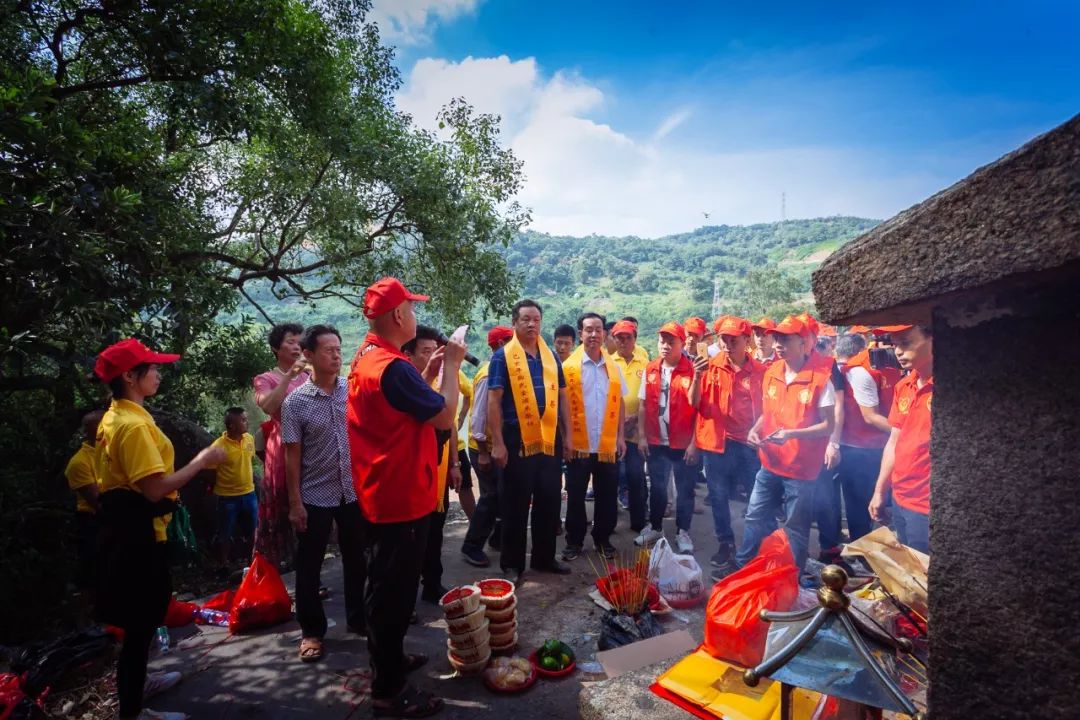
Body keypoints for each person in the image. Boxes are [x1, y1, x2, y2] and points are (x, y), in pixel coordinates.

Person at [348, 277, 464, 717]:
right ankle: (388, 690)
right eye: (411, 309)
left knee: (389, 587)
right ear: (398, 316)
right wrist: (451, 366)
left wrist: (426, 375)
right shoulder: (392, 368)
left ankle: (390, 661)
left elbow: (400, 404)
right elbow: (444, 417)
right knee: (391, 595)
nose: (414, 316)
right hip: (399, 496)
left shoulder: (371, 358)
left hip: (384, 490)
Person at [93, 339, 226, 720]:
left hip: (126, 532)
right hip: (135, 539)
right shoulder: (132, 426)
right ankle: (132, 710)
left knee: (143, 619)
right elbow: (154, 488)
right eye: (152, 368)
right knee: (139, 623)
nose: (158, 373)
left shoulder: (119, 414)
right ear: (131, 376)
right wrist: (202, 460)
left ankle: (139, 685)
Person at [281, 325, 364, 663]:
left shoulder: (352, 390)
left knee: (358, 558)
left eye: (339, 348)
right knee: (309, 565)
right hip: (316, 494)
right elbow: (292, 456)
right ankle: (312, 631)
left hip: (353, 491)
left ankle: (360, 619)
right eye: (328, 349)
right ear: (309, 355)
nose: (336, 355)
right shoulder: (295, 402)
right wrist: (295, 502)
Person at [736, 316, 836, 573]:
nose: (778, 344)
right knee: (754, 516)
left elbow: (828, 426)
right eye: (777, 338)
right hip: (769, 462)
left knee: (796, 528)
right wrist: (754, 429)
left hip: (801, 470)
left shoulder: (822, 379)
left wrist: (792, 433)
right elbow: (766, 414)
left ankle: (793, 577)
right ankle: (742, 568)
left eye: (785, 339)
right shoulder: (772, 372)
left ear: (804, 344)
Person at [488, 299, 571, 582]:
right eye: (526, 319)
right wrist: (497, 442)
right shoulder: (503, 356)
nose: (532, 324)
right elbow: (494, 400)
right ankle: (512, 564)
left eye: (536, 319)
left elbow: (562, 396)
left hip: (549, 439)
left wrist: (568, 437)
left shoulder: (550, 356)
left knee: (548, 501)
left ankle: (544, 558)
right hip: (515, 438)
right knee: (515, 503)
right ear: (515, 323)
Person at [689, 316, 766, 577]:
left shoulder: (760, 372)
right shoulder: (708, 366)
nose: (728, 343)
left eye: (734, 339)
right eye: (724, 338)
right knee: (719, 497)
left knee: (757, 498)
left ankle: (754, 546)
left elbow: (768, 409)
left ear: (747, 340)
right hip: (716, 444)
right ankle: (726, 542)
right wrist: (697, 376)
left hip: (748, 445)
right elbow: (694, 403)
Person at [402, 325, 461, 604]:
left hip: (438, 471)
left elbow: (450, 425)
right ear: (409, 354)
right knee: (411, 542)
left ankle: (432, 583)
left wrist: (455, 464)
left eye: (434, 350)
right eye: (425, 352)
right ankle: (405, 599)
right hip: (413, 474)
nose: (432, 356)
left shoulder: (440, 381)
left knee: (436, 530)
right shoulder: (404, 386)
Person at [561, 313, 627, 561]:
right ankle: (574, 542)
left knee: (607, 494)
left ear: (604, 334)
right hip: (578, 444)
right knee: (576, 494)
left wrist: (621, 436)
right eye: (588, 330)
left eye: (598, 330)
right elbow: (561, 407)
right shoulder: (568, 368)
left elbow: (619, 403)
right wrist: (565, 438)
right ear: (580, 334)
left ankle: (603, 538)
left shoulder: (614, 368)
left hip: (607, 443)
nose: (594, 335)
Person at [869, 325, 934, 554]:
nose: (897, 351)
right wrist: (880, 491)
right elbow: (894, 442)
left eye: (906, 343)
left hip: (928, 504)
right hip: (900, 497)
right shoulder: (902, 387)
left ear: (933, 339)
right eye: (895, 344)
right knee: (908, 569)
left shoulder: (949, 388)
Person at [634, 322, 699, 552]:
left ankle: (683, 531)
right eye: (662, 341)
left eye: (671, 342)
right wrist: (642, 436)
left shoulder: (692, 371)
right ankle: (656, 527)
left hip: (683, 443)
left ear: (682, 343)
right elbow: (642, 405)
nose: (665, 346)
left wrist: (694, 443)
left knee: (684, 489)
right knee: (658, 488)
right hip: (655, 441)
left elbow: (700, 410)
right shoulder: (651, 369)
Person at [252, 323, 309, 569]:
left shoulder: (310, 375)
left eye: (300, 342)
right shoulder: (266, 379)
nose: (297, 346)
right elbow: (268, 407)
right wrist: (289, 376)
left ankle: (308, 568)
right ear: (276, 348)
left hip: (311, 445)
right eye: (290, 341)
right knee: (285, 506)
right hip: (283, 445)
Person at [461, 326, 514, 567]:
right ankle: (471, 546)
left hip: (497, 445)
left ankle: (497, 538)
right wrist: (483, 453)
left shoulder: (505, 368)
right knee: (491, 497)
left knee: (503, 495)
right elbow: (479, 416)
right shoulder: (488, 373)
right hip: (483, 447)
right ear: (501, 344)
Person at [833, 334, 893, 543]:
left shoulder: (850, 370)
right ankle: (863, 548)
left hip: (867, 446)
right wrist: (902, 434)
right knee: (860, 503)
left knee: (864, 501)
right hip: (859, 448)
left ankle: (869, 545)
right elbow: (870, 416)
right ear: (860, 350)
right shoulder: (859, 372)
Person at [610, 320, 649, 532]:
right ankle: (609, 523)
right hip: (611, 430)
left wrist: (633, 418)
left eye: (628, 338)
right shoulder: (607, 362)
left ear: (635, 339)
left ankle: (639, 520)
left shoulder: (645, 364)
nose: (624, 342)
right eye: (620, 338)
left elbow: (650, 397)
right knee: (611, 477)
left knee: (636, 475)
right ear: (614, 339)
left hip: (635, 430)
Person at [208, 408, 258, 567]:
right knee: (225, 532)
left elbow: (250, 460)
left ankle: (253, 562)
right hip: (227, 497)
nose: (247, 422)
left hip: (249, 494)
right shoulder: (218, 446)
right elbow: (209, 471)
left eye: (246, 419)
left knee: (253, 530)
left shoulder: (249, 439)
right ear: (231, 425)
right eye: (242, 420)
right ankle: (224, 564)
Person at [66, 410, 103, 591]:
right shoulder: (79, 462)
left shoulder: (113, 452)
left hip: (115, 517)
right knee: (93, 571)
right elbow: (97, 502)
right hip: (93, 521)